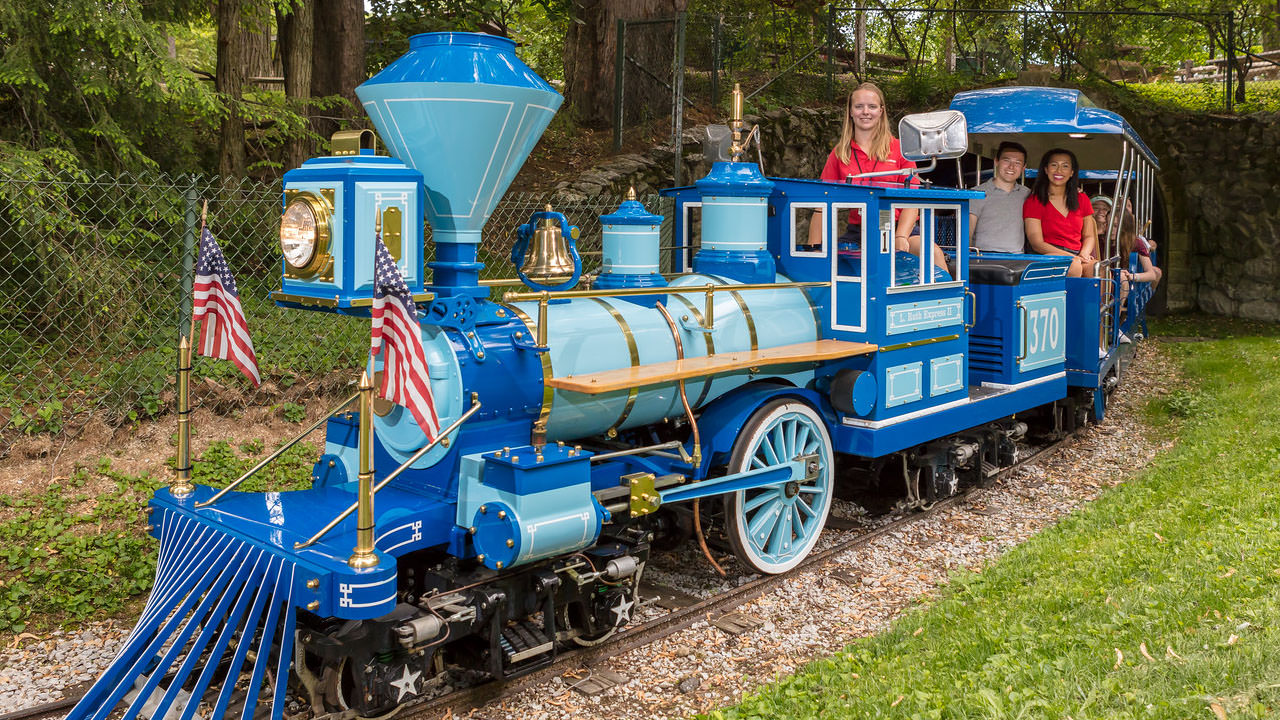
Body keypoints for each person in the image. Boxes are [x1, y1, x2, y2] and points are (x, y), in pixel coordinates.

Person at [809, 83, 945, 269]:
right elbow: (821, 205)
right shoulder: (839, 153)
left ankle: (955, 297)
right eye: (859, 106)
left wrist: (900, 236)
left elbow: (912, 200)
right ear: (850, 111)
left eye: (872, 106)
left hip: (899, 227)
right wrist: (812, 251)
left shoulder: (898, 149)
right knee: (833, 263)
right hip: (859, 232)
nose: (865, 112)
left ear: (881, 111)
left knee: (931, 252)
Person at [1023, 148, 1097, 278]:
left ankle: (1099, 299)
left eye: (1065, 166)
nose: (1059, 170)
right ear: (1046, 170)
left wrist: (1084, 254)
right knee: (1072, 265)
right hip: (1046, 255)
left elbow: (1089, 236)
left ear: (1071, 172)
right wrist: (1074, 258)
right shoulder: (1034, 201)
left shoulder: (1082, 199)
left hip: (1076, 254)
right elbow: (1037, 244)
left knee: (1096, 268)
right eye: (1054, 165)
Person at [969, 141, 1030, 253]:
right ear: (996, 161)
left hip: (1017, 260)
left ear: (1024, 167)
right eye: (1006, 160)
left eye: (1017, 163)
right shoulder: (977, 193)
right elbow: (967, 232)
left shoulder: (1027, 194)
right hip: (983, 257)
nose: (1011, 167)